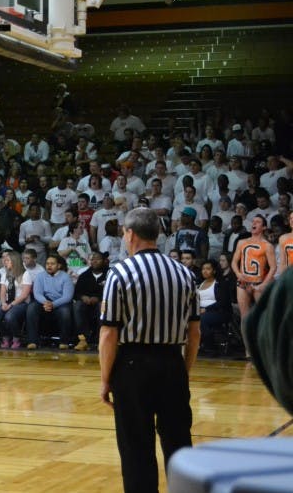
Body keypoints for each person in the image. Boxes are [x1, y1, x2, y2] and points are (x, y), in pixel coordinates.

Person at [99, 207, 200, 493]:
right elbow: (195, 332)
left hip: (133, 366)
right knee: (179, 442)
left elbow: (108, 333)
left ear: (130, 234)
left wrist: (106, 379)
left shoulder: (119, 273)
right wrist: (183, 370)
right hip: (172, 362)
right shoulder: (184, 273)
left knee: (136, 447)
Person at [232, 214, 277, 355]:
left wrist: (263, 284)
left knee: (263, 316)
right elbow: (234, 262)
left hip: (258, 282)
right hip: (243, 283)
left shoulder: (267, 246)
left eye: (258, 222)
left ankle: (266, 347)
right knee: (245, 317)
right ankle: (248, 350)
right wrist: (239, 275)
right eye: (253, 221)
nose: (254, 223)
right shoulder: (242, 242)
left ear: (263, 227)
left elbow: (273, 267)